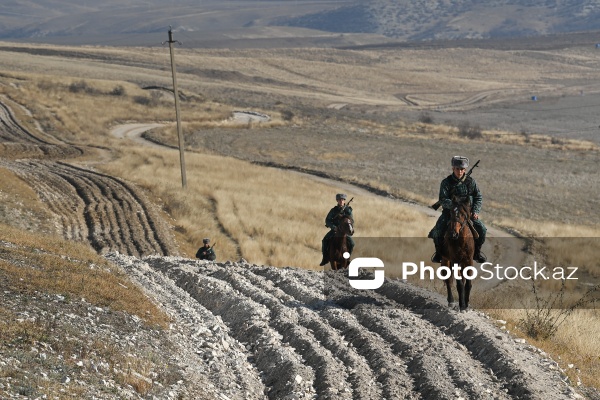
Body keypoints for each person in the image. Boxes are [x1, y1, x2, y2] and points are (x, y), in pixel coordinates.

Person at [428, 156, 487, 263]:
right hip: (449, 213)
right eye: (457, 169)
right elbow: (443, 199)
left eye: (462, 169)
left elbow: (478, 197)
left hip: (467, 214)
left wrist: (475, 211)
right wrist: (455, 206)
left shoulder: (471, 182)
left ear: (464, 170)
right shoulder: (446, 182)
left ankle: (477, 253)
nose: (459, 171)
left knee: (482, 229)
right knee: (438, 231)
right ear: (453, 169)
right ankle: (439, 254)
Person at [319, 193, 355, 266]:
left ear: (344, 201)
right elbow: (328, 220)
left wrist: (346, 227)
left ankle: (348, 259)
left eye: (342, 200)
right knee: (324, 240)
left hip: (344, 231)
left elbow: (351, 221)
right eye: (339, 200)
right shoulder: (333, 210)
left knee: (351, 243)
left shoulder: (348, 210)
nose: (341, 201)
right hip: (335, 230)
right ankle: (325, 258)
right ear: (337, 201)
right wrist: (334, 227)